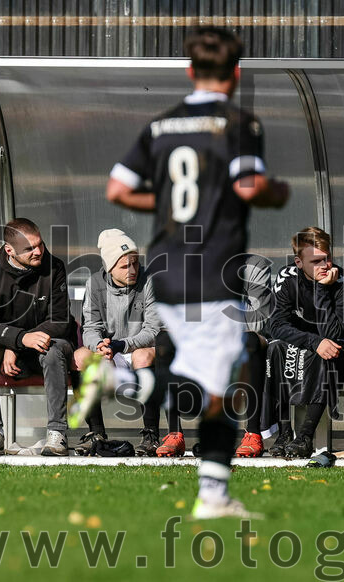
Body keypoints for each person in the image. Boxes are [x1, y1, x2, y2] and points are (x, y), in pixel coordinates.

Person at [103, 27, 288, 517]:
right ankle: (122, 387)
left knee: (210, 383)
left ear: (190, 71)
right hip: (213, 271)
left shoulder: (160, 125)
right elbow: (250, 187)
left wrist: (164, 202)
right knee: (223, 386)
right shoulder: (238, 123)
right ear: (236, 74)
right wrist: (278, 193)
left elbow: (118, 191)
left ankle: (213, 493)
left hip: (166, 270)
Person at [0, 218, 75, 456]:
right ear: (9, 250)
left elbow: (60, 320)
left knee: (53, 351)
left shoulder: (55, 267)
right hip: (13, 347)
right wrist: (18, 340)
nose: (38, 251)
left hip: (46, 345)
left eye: (40, 244)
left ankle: (57, 434)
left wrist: (17, 344)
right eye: (29, 248)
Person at [263, 227, 344, 459]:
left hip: (338, 353)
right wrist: (312, 341)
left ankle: (305, 436)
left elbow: (333, 333)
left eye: (327, 258)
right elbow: (276, 325)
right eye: (316, 261)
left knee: (325, 350)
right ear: (298, 261)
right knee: (274, 347)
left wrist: (322, 289)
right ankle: (284, 433)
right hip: (305, 343)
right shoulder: (286, 279)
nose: (324, 265)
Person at [71, 229, 163, 456]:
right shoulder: (94, 283)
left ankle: (151, 434)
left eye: (135, 263)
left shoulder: (149, 281)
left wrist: (121, 345)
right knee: (80, 356)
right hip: (112, 353)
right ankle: (97, 434)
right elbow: (91, 327)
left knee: (143, 354)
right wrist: (99, 347)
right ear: (109, 267)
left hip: (139, 349)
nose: (132, 270)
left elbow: (153, 330)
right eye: (125, 266)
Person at [233, 254, 275, 458]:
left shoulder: (255, 265)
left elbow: (258, 322)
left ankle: (253, 432)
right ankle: (172, 434)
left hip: (252, 343)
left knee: (248, 341)